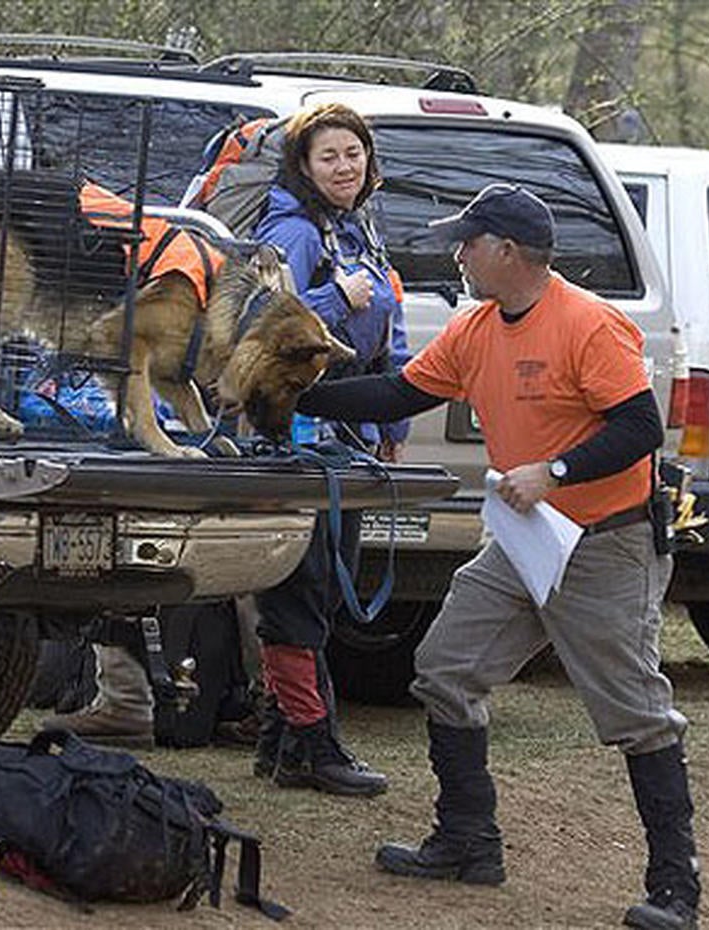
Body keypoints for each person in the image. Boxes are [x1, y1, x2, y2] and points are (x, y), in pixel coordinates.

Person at [296, 183, 701, 929]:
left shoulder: (587, 324)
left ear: (506, 252)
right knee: (445, 669)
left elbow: (640, 427)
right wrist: (289, 395)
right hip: (523, 539)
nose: (456, 253)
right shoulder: (477, 326)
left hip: (604, 545)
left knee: (636, 714)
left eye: (467, 241)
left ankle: (675, 889)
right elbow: (394, 394)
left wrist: (553, 471)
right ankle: (466, 843)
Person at [248, 101, 408, 796]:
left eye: (353, 154)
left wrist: (392, 425)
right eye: (329, 157)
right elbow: (263, 327)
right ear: (303, 167)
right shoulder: (290, 232)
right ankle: (311, 745)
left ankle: (281, 742)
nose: (345, 167)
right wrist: (337, 298)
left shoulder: (359, 230)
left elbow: (390, 324)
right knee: (302, 590)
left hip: (351, 437)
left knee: (325, 592)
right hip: (297, 437)